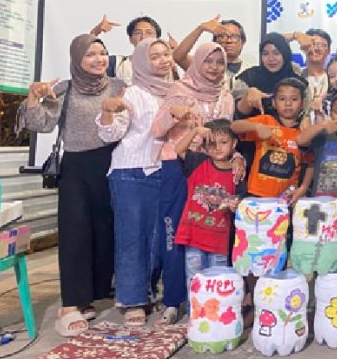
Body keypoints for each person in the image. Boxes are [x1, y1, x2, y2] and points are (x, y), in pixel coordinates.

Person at [17, 34, 125, 336]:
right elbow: (41, 125)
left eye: (102, 53)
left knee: (106, 231)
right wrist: (33, 97)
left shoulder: (119, 87)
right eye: (90, 54)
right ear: (78, 59)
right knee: (76, 233)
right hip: (76, 169)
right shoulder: (65, 88)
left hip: (112, 164)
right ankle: (70, 305)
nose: (98, 59)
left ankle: (94, 293)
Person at [151, 42, 237, 322]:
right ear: (196, 63)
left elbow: (228, 135)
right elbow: (157, 129)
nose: (213, 67)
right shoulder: (179, 90)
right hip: (178, 165)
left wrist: (237, 159)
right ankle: (175, 299)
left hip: (213, 170)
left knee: (210, 230)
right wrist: (176, 112)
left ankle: (209, 299)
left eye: (219, 62)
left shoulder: (226, 96)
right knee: (176, 231)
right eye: (208, 61)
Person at [96, 37, 175, 326]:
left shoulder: (173, 92)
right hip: (131, 172)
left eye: (166, 54)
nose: (163, 60)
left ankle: (149, 292)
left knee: (156, 239)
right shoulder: (132, 93)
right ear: (142, 62)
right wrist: (107, 112)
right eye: (155, 57)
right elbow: (110, 134)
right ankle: (132, 301)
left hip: (162, 172)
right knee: (133, 239)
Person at [174, 119, 240, 291]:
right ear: (204, 146)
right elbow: (179, 149)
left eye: (223, 142)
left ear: (234, 143)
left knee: (217, 282)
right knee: (194, 280)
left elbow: (239, 200)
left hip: (220, 240)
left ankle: (214, 316)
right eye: (211, 143)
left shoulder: (237, 171)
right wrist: (195, 130)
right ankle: (194, 315)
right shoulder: (198, 162)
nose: (217, 148)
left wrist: (235, 205)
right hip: (194, 236)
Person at [231, 77, 313, 202]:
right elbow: (233, 127)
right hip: (256, 194)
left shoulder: (304, 131)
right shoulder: (265, 121)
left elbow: (310, 162)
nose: (288, 103)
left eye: (294, 99)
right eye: (282, 99)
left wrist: (304, 187)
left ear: (302, 104)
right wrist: (256, 126)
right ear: (274, 102)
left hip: (285, 198)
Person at [173, 15, 253, 93]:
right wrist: (200, 29)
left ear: (242, 42)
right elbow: (178, 57)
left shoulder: (251, 70)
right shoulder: (203, 64)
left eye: (234, 37)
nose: (228, 41)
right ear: (215, 42)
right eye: (223, 36)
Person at [90, 14, 174, 85]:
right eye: (138, 33)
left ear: (157, 39)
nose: (143, 37)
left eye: (149, 33)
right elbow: (89, 65)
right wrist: (94, 33)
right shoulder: (117, 63)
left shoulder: (167, 64)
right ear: (130, 39)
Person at [234, 32, 302, 119]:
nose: (271, 58)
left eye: (276, 53)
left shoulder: (297, 80)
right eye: (265, 54)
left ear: (285, 54)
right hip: (253, 130)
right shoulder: (249, 77)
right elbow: (236, 116)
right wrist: (247, 99)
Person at [284, 28, 332, 109]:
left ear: (329, 50)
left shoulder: (334, 77)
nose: (316, 49)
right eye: (312, 44)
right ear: (303, 47)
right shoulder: (295, 72)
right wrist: (295, 35)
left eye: (321, 45)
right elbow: (274, 41)